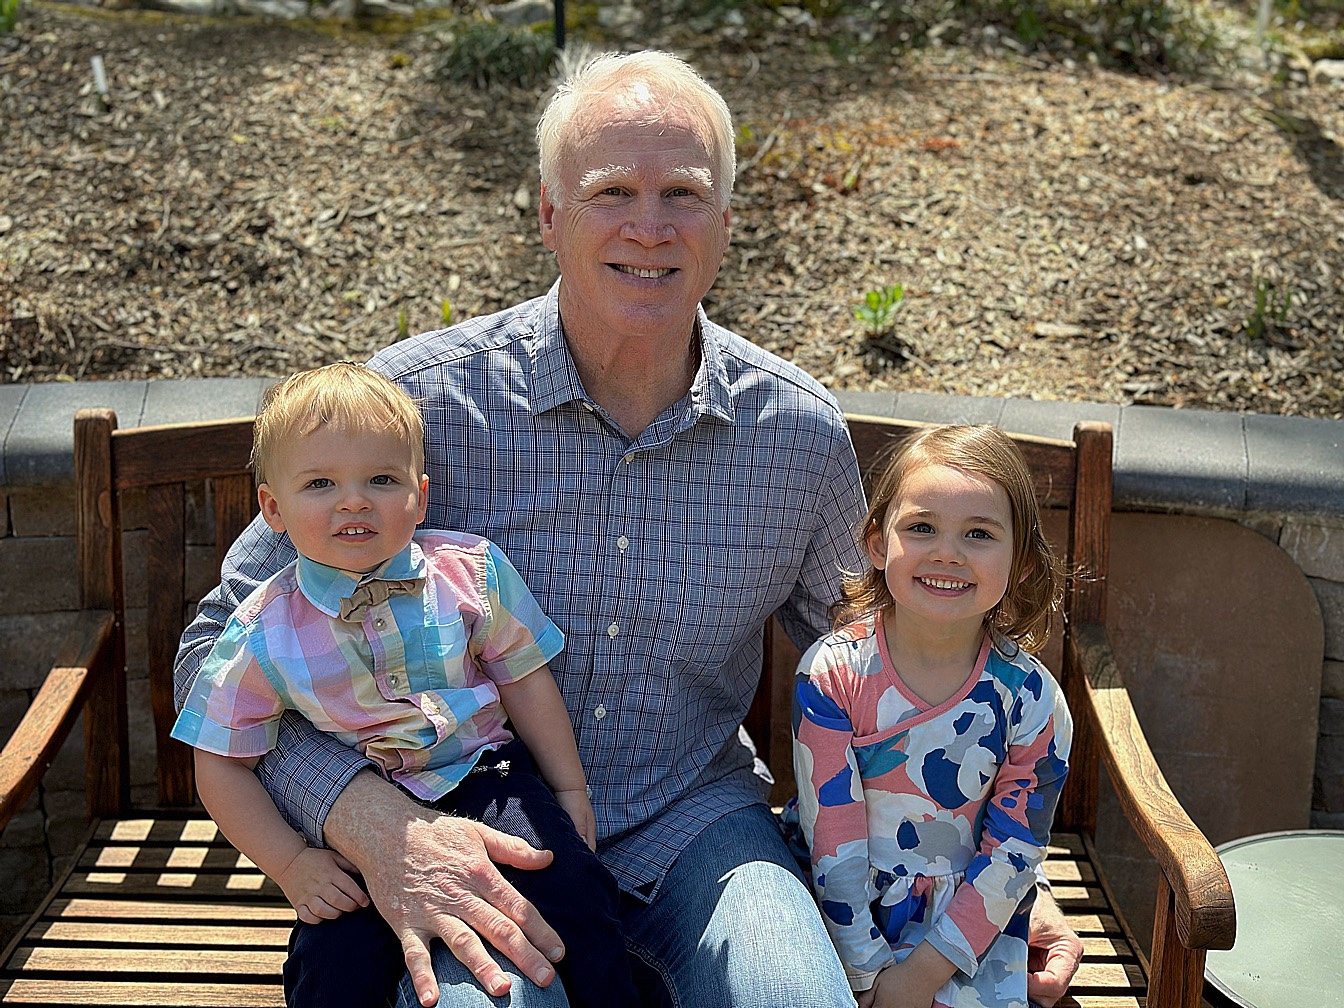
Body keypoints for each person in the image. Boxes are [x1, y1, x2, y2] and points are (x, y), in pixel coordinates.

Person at [175, 50, 1083, 1008]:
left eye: (683, 194)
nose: (650, 227)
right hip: (464, 819)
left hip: (700, 825)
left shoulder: (795, 435)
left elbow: (904, 659)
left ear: (725, 223)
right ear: (548, 215)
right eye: (612, 190)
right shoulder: (414, 409)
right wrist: (366, 818)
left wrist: (997, 877)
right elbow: (213, 652)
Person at [170, 363, 637, 1008]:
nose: (354, 501)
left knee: (577, 898)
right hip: (357, 822)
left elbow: (525, 679)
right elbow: (221, 762)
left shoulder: (469, 574)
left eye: (381, 480)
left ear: (419, 495)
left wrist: (568, 788)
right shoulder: (264, 630)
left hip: (488, 777)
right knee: (334, 961)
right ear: (273, 508)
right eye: (321, 483)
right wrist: (290, 862)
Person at [791, 424, 1074, 1008]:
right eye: (922, 527)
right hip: (831, 909)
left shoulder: (1031, 701)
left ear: (1021, 562)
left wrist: (919, 978)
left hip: (965, 930)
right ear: (877, 544)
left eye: (979, 534)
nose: (948, 553)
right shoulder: (832, 676)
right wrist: (866, 971)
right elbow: (832, 842)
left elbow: (1013, 853)